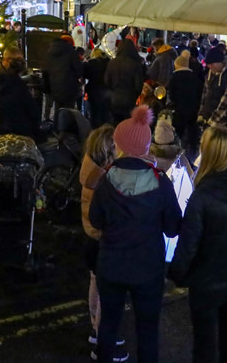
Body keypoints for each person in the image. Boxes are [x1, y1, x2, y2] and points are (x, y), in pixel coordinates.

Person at [89, 106, 182, 363]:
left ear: (119, 145)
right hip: (148, 267)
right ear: (146, 146)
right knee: (148, 329)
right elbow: (173, 227)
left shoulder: (106, 181)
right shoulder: (161, 182)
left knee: (108, 323)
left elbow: (96, 220)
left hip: (111, 266)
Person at [169, 126, 227, 363]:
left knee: (205, 344)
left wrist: (178, 274)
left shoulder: (202, 195)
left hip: (206, 281)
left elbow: (188, 245)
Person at [79, 125, 121, 361]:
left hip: (90, 239)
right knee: (108, 294)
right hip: (102, 241)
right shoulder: (104, 179)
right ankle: (104, 344)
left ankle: (96, 330)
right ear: (107, 149)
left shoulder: (89, 169)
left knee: (95, 283)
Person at [0, 49, 41, 139]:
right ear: (7, 60)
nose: (19, 63)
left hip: (5, 129)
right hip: (11, 130)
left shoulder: (7, 76)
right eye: (17, 60)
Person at [168, 51, 203, 159]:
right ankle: (193, 153)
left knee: (178, 132)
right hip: (193, 109)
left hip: (179, 110)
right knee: (192, 132)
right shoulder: (194, 78)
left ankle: (178, 152)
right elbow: (200, 94)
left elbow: (172, 95)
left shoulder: (174, 78)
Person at [105, 40, 145, 125]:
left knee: (115, 123)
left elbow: (107, 81)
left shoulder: (112, 62)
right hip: (130, 99)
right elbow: (138, 86)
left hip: (115, 98)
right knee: (128, 124)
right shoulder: (135, 64)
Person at [198, 48, 227, 128]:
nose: (210, 67)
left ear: (221, 62)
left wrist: (212, 121)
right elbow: (204, 96)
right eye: (209, 64)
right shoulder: (210, 74)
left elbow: (226, 101)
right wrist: (201, 114)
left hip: (223, 123)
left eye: (213, 64)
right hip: (207, 119)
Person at [46, 35, 84, 111]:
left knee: (58, 109)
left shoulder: (50, 51)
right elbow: (79, 70)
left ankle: (57, 122)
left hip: (54, 87)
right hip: (69, 88)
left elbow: (46, 68)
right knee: (68, 112)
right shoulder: (71, 52)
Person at [84, 49, 111, 129]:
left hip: (94, 91)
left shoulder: (91, 63)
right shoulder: (109, 62)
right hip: (107, 92)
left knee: (95, 114)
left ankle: (96, 133)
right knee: (105, 114)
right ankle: (106, 132)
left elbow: (86, 74)